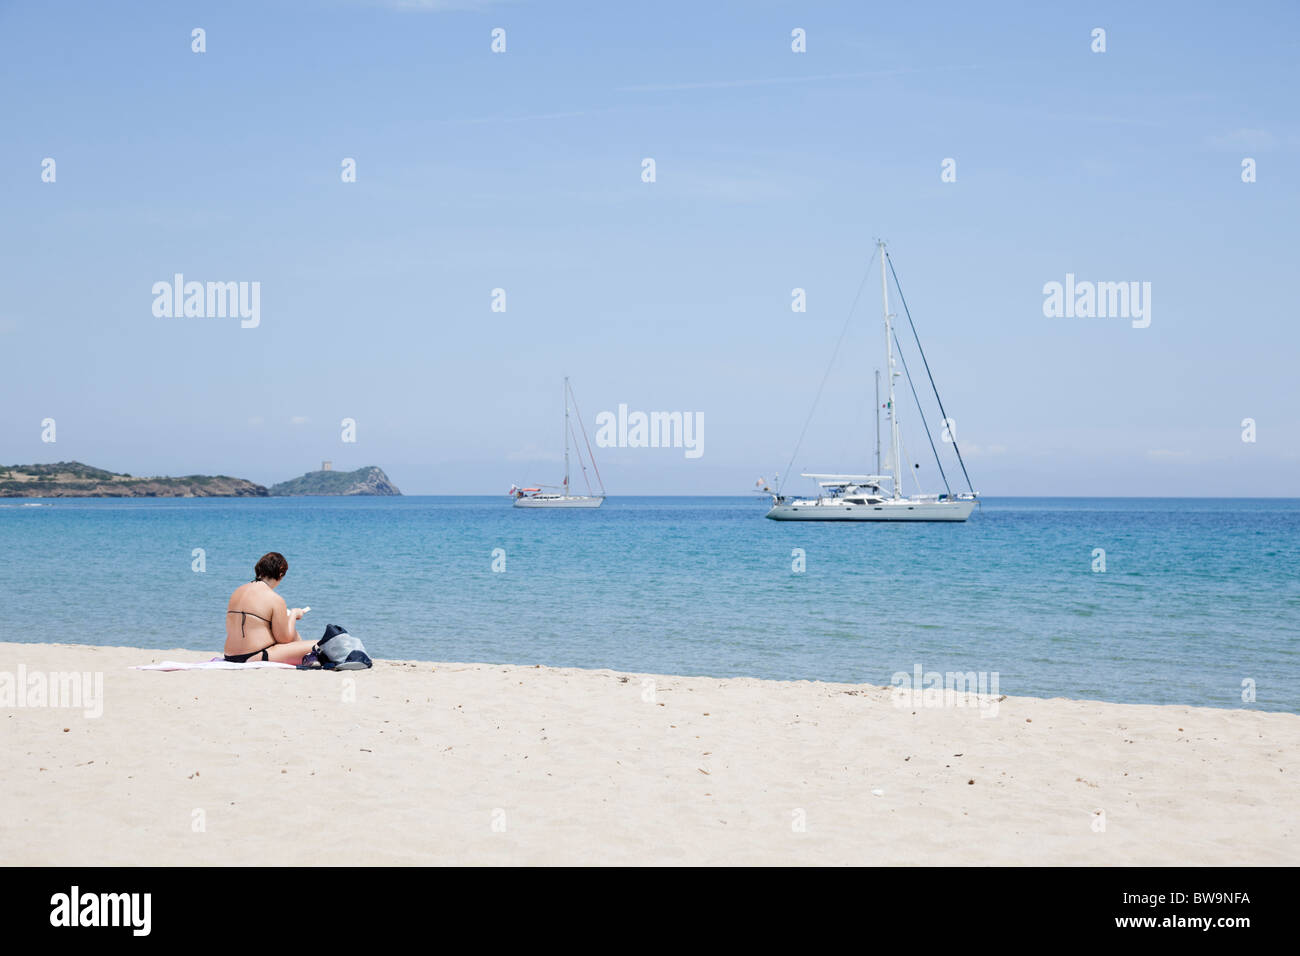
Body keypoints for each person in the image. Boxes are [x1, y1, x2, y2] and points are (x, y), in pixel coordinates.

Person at [224, 552, 317, 664]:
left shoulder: (237, 592)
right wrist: (293, 614)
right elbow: (284, 639)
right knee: (320, 644)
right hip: (255, 655)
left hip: (229, 655)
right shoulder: (274, 598)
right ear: (281, 572)